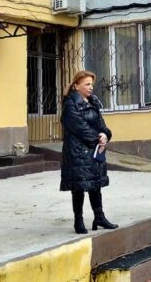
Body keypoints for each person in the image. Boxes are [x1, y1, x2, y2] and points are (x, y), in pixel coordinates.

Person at [60, 70, 118, 234]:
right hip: (77, 152)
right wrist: (97, 138)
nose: (91, 87)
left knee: (95, 185)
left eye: (91, 84)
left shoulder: (93, 101)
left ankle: (99, 217)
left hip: (94, 151)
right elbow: (79, 127)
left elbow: (101, 125)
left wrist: (105, 134)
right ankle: (78, 221)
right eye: (87, 84)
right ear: (76, 86)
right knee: (78, 187)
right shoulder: (70, 104)